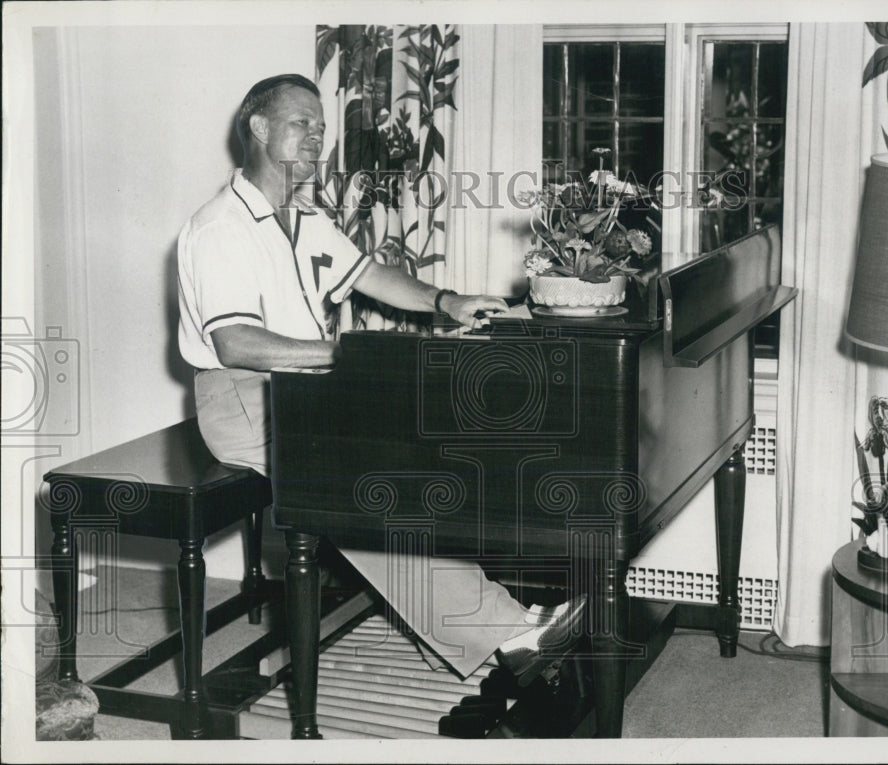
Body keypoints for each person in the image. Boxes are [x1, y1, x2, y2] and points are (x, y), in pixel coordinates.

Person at [177, 73, 584, 683]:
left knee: (418, 453)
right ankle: (505, 636)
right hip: (241, 397)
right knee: (361, 482)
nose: (317, 136)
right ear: (259, 129)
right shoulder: (219, 228)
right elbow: (234, 343)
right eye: (300, 123)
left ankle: (466, 626)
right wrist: (347, 356)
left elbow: (373, 275)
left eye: (320, 125)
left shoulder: (301, 216)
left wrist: (447, 300)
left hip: (307, 386)